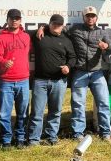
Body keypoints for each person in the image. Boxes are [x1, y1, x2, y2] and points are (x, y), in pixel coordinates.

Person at [37, 5, 111, 140]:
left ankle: (106, 132)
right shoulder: (74, 28)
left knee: (103, 103)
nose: (90, 18)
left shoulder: (103, 32)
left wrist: (106, 46)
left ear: (96, 18)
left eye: (92, 16)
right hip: (80, 72)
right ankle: (78, 133)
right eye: (87, 16)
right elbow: (56, 27)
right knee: (78, 104)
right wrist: (43, 27)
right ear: (83, 17)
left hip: (97, 72)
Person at [28, 14, 76, 146]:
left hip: (59, 81)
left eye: (59, 25)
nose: (56, 26)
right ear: (49, 24)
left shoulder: (66, 40)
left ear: (62, 26)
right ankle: (34, 139)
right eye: (54, 24)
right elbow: (20, 30)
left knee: (55, 111)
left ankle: (51, 137)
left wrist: (68, 66)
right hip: (40, 81)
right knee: (37, 112)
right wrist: (41, 27)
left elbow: (72, 57)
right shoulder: (39, 35)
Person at [0, 8, 31, 148]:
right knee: (4, 113)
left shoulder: (26, 36)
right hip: (6, 80)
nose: (14, 20)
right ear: (7, 20)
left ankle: (20, 137)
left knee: (23, 112)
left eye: (17, 18)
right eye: (11, 18)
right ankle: (6, 139)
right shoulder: (1, 37)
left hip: (23, 80)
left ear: (20, 20)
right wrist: (4, 62)